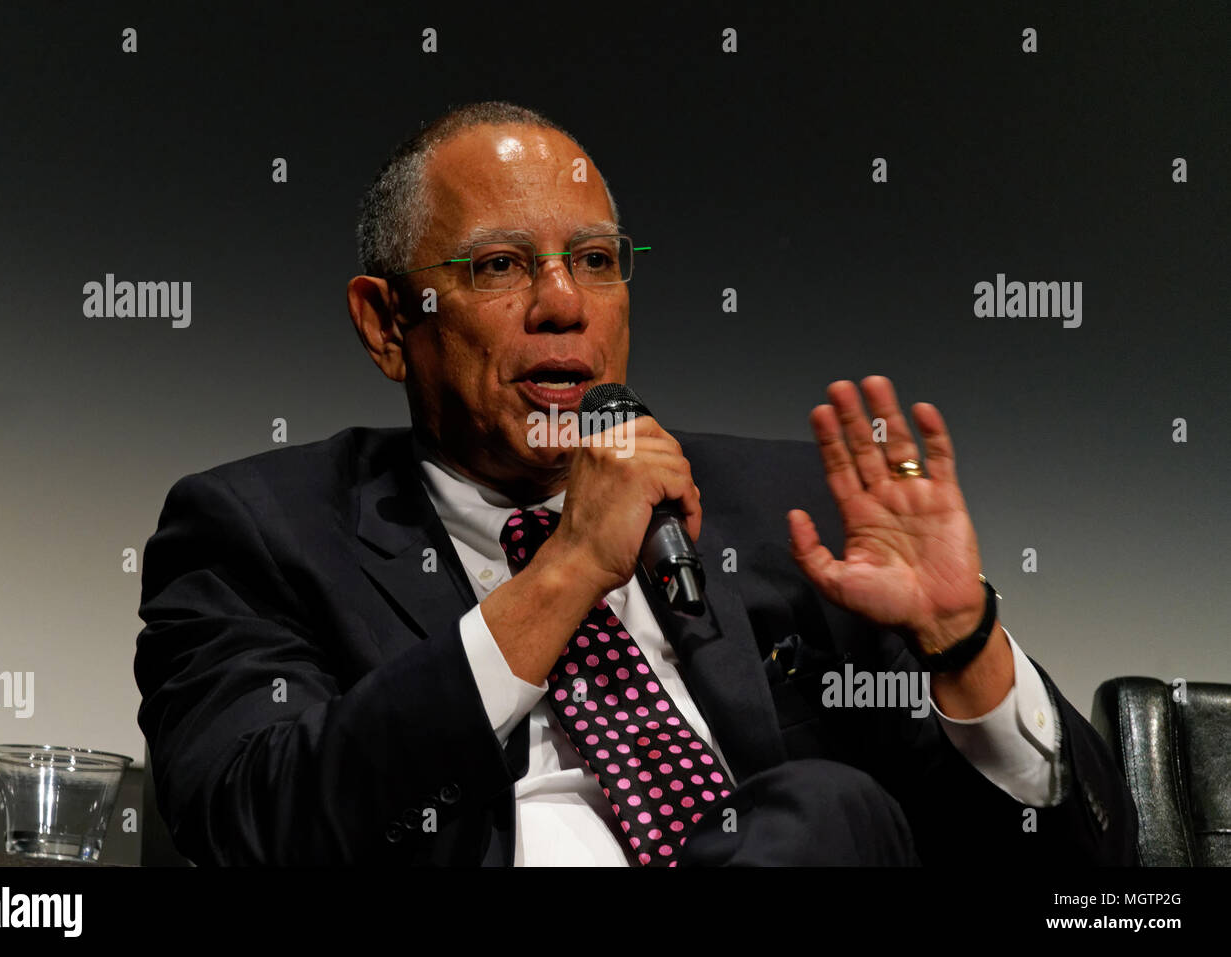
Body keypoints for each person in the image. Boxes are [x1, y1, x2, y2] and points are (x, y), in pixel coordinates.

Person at [134, 100, 1138, 866]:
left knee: (823, 813)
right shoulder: (256, 533)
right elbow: (247, 827)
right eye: (498, 268)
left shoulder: (790, 517)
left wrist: (964, 645)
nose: (563, 303)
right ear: (387, 324)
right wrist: (565, 570)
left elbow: (1092, 874)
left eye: (597, 261)